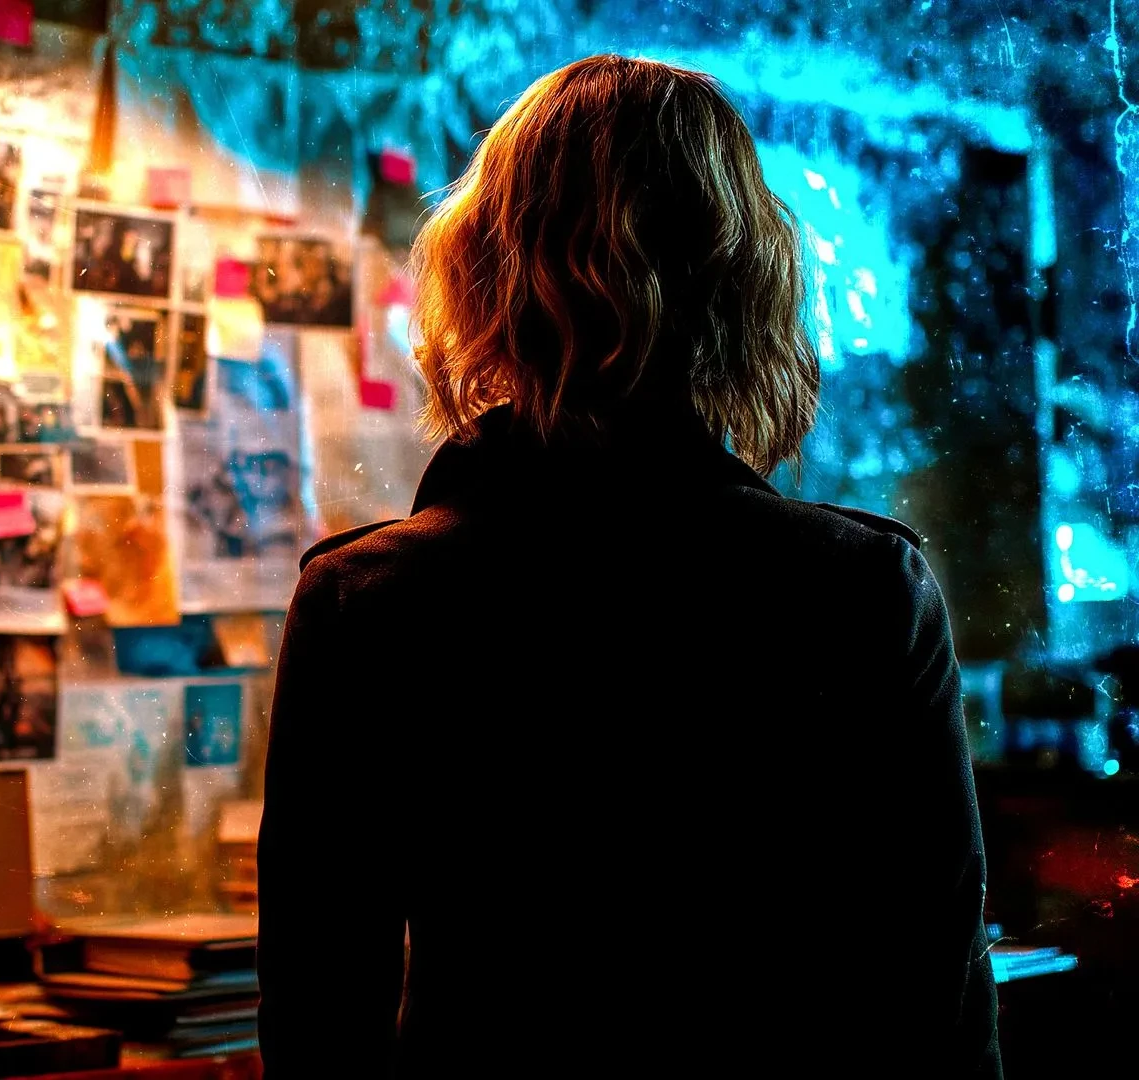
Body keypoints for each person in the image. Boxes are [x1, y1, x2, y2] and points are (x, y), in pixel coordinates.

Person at [257, 55, 1000, 1078]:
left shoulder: (365, 599)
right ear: (744, 281)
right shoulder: (859, 586)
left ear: (482, 266)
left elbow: (318, 1016)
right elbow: (935, 1000)